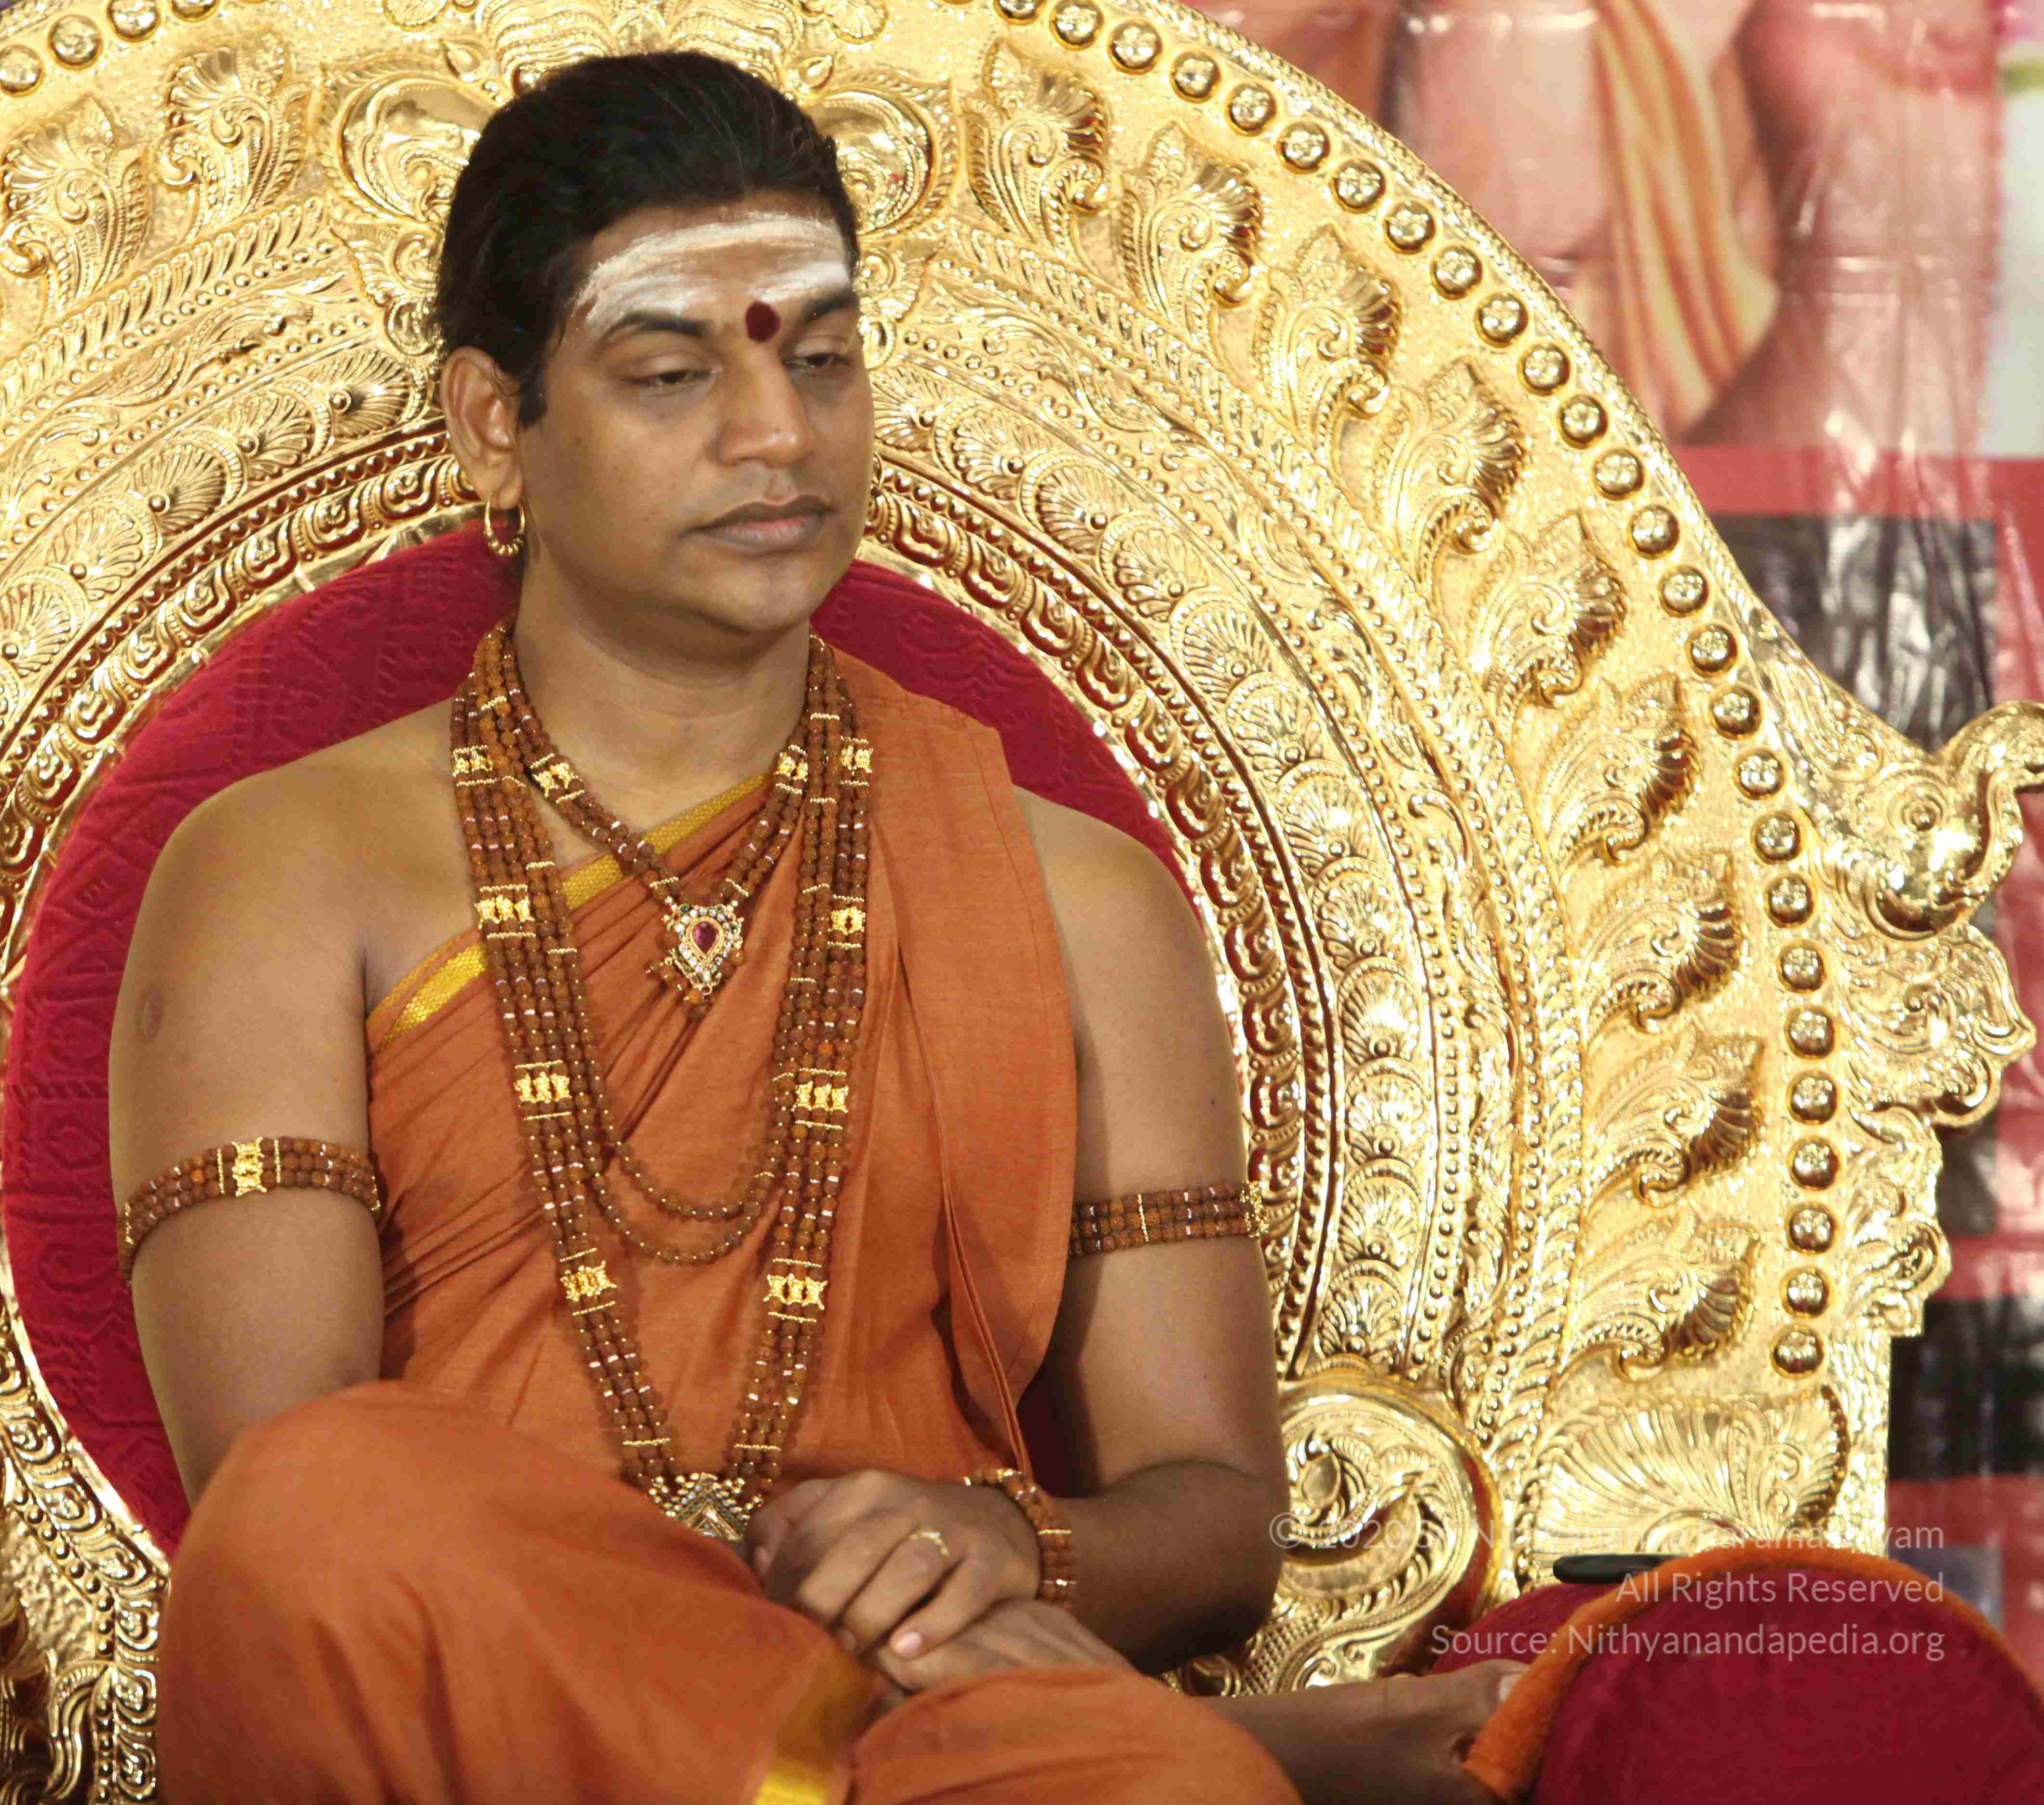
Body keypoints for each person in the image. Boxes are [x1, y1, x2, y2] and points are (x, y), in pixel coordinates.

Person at [112, 50, 1516, 1803]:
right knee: (324, 1498)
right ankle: (931, 1741)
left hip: (960, 1735)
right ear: (489, 424)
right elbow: (296, 1523)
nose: (777, 435)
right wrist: (796, 1651)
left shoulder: (1076, 900)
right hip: (469, 1739)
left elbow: (1216, 1518)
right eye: (670, 372)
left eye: (824, 360)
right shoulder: (284, 869)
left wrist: (1000, 1551)